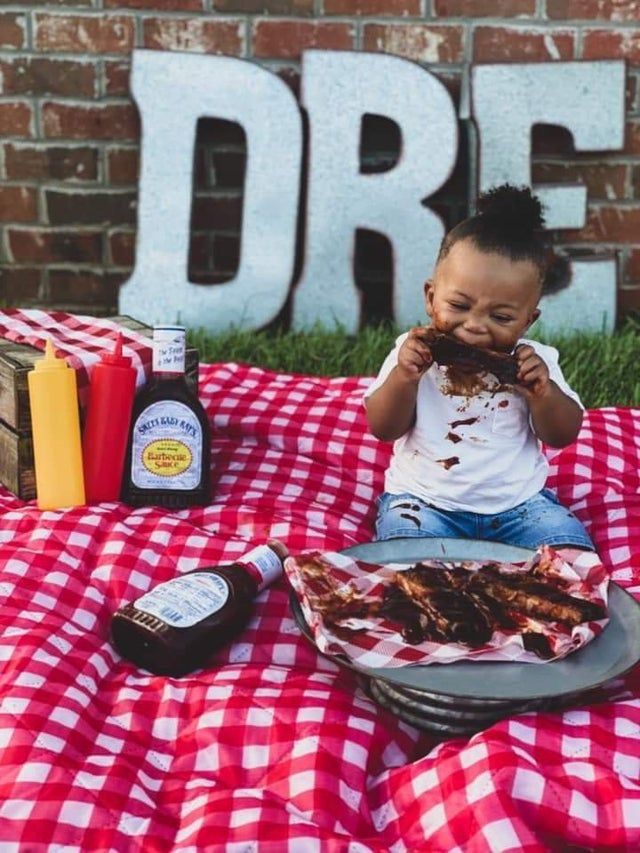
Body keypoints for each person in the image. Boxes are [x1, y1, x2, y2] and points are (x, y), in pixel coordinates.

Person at [364, 184, 594, 551]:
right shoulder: (414, 355)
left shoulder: (535, 364)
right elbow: (383, 427)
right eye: (458, 305)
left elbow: (563, 435)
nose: (474, 326)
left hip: (520, 507)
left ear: (527, 321)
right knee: (406, 560)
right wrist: (403, 379)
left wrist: (543, 395)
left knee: (570, 560)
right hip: (424, 502)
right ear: (430, 297)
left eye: (501, 316)